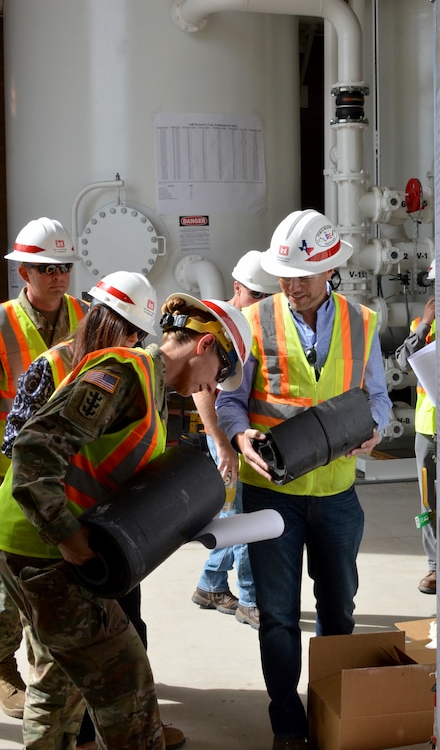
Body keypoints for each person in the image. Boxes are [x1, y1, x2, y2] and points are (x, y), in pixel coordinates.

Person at [0, 291, 252, 749]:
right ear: (205, 347)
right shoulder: (123, 373)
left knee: (59, 683)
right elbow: (34, 448)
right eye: (220, 375)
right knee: (128, 689)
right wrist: (69, 538)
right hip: (46, 548)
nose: (212, 389)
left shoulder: (151, 389)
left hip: (32, 543)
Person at [215, 209, 393, 750]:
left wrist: (375, 431)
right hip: (271, 496)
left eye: (303, 276)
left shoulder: (363, 322)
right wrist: (241, 437)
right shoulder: (252, 322)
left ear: (330, 270)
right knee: (277, 615)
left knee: (339, 608)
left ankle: (332, 709)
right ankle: (286, 721)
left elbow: (379, 398)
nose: (291, 286)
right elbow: (230, 400)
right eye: (284, 275)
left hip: (337, 494)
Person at [0, 217, 86, 719]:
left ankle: (50, 678)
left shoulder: (87, 316)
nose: (57, 275)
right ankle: (6, 668)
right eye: (46, 267)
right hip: (9, 469)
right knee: (12, 588)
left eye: (63, 266)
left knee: (55, 581)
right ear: (24, 272)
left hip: (68, 469)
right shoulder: (3, 322)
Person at [191, 250, 279, 630]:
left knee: (235, 516)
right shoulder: (217, 326)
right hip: (224, 437)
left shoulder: (261, 325)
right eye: (256, 295)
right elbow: (201, 393)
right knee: (241, 516)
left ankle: (210, 584)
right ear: (237, 288)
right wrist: (222, 444)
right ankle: (250, 599)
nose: (262, 304)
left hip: (249, 435)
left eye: (268, 297)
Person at [395, 259, 437, 594]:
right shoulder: (421, 326)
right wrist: (424, 324)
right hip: (427, 429)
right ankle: (436, 567)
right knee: (429, 502)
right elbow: (401, 358)